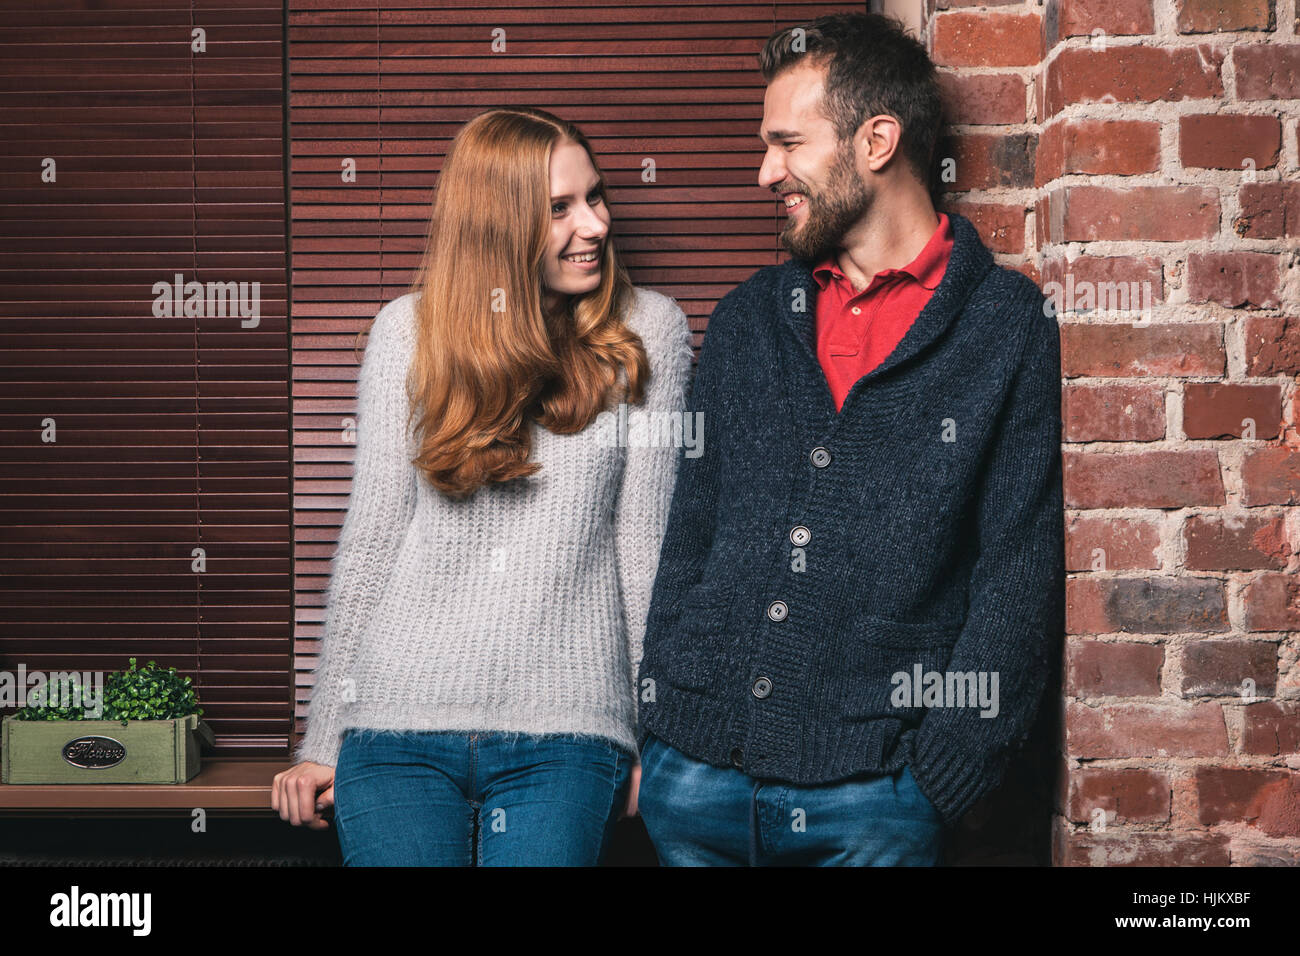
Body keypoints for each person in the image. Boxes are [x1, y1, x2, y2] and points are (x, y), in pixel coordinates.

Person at [634, 12, 1065, 866]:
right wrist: (660, 723)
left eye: (788, 143)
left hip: (876, 802)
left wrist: (943, 777)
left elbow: (1017, 575)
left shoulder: (1004, 327)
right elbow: (689, 536)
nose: (766, 172)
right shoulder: (749, 319)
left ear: (877, 140)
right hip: (692, 788)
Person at [272, 107, 693, 866]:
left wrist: (646, 735)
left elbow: (645, 551)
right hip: (395, 728)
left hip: (568, 732)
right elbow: (371, 541)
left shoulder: (647, 331)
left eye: (595, 198)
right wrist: (324, 738)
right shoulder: (406, 332)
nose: (595, 225)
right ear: (498, 225)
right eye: (560, 208)